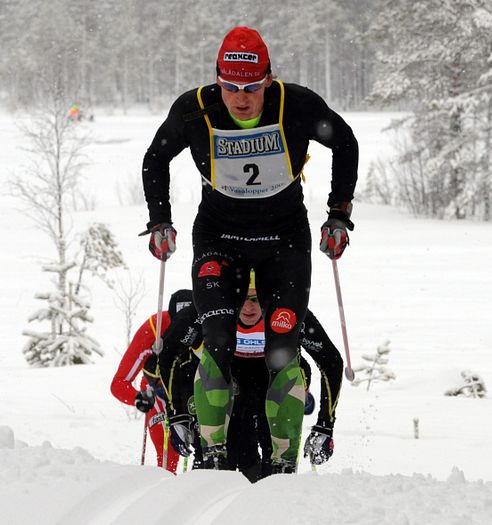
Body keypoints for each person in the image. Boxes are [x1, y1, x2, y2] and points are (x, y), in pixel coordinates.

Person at [140, 26, 358, 473]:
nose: (241, 99)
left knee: (283, 350)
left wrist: (338, 213)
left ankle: (282, 468)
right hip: (220, 239)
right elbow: (156, 157)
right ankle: (213, 459)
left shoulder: (295, 104)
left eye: (252, 87)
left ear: (269, 80)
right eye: (232, 87)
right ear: (217, 79)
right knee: (216, 339)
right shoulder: (195, 109)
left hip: (284, 242)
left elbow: (346, 142)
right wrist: (160, 219)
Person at [146, 271, 343, 480]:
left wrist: (325, 425)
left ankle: (281, 472)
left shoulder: (287, 312)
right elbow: (168, 357)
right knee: (227, 444)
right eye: (242, 298)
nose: (249, 308)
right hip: (227, 379)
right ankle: (214, 465)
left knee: (287, 383)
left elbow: (331, 362)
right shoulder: (208, 308)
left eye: (256, 299)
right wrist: (177, 414)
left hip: (270, 380)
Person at [110, 289, 193, 473]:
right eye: (178, 324)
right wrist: (139, 398)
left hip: (190, 391)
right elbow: (118, 383)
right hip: (158, 393)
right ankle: (163, 491)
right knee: (169, 453)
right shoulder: (154, 329)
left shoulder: (206, 323)